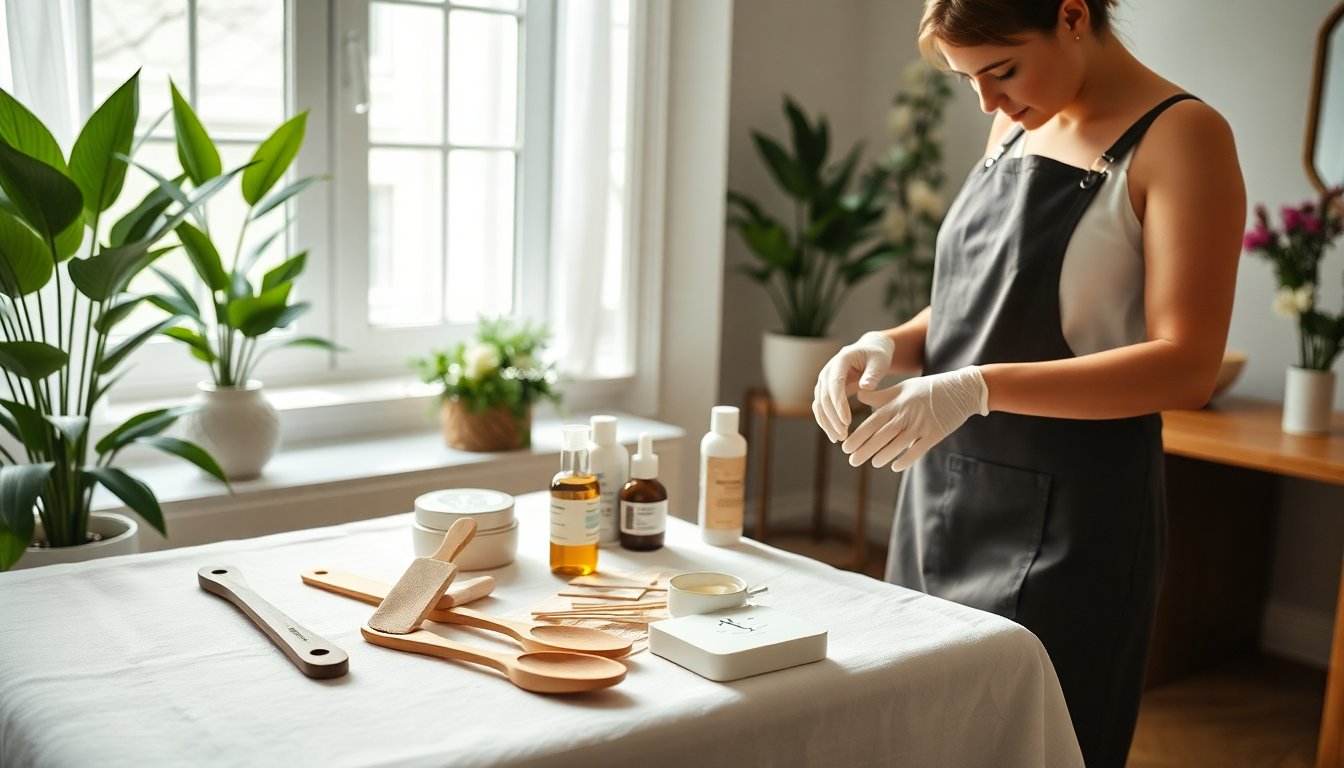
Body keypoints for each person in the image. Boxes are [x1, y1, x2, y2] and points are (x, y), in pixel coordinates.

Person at [810, 1, 1245, 765]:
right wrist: (884, 343)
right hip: (940, 492)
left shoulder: (1183, 136)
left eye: (1001, 69)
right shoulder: (1013, 124)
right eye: (968, 79)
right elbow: (972, 305)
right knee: (920, 733)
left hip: (1076, 518)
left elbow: (1188, 365)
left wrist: (973, 387)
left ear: (1072, 16)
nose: (987, 100)